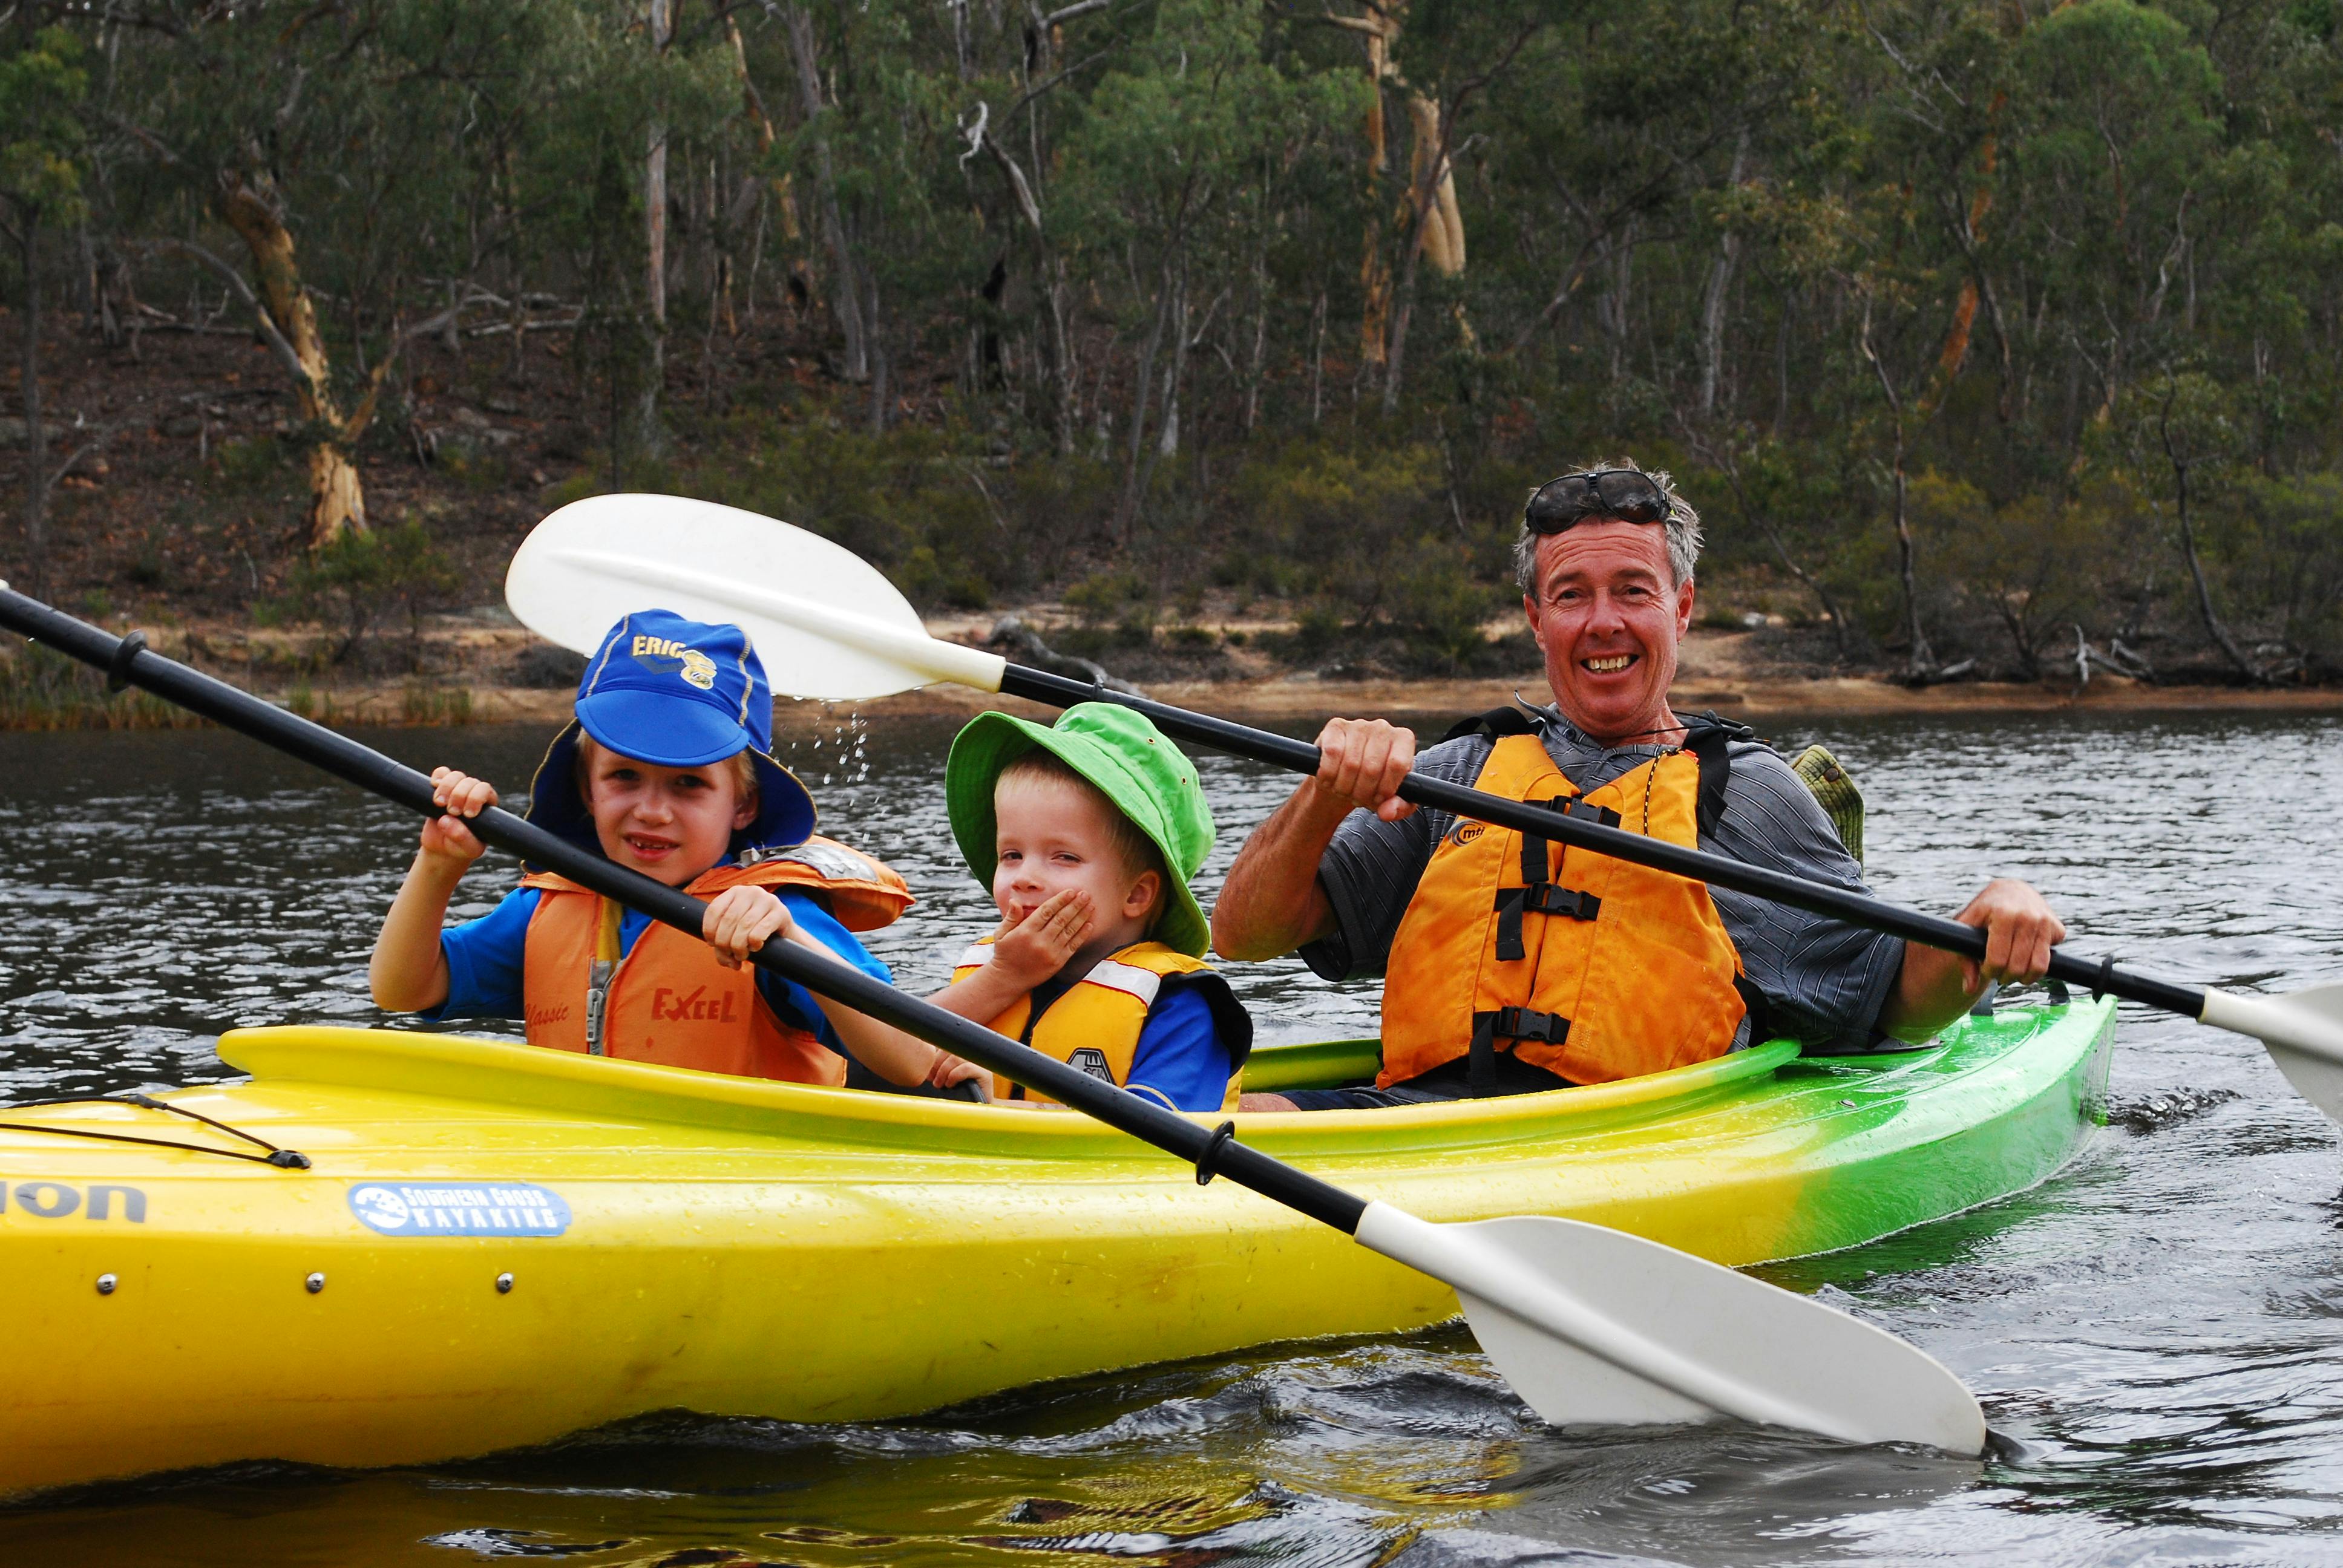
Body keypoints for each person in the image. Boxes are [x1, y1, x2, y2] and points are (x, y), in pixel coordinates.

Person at [1214, 462, 2066, 1111]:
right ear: (1536, 617)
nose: (1603, 623)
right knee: (1214, 1125)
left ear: (1683, 608)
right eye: (1572, 595)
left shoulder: (1747, 794)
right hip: (1420, 1128)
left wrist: (1983, 928)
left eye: (1633, 591)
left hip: (1631, 1141)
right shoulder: (1461, 773)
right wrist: (1322, 796)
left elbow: (1888, 1000)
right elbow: (1244, 934)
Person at [370, 607, 985, 1095]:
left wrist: (791, 943)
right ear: (587, 788)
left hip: (744, 1200)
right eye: (624, 777)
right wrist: (439, 867)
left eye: (689, 783)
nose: (652, 810)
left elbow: (908, 1060)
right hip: (592, 1188)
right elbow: (404, 988)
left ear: (742, 806)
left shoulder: (775, 914)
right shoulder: (548, 908)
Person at [924, 702, 1251, 1112]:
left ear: (1136, 895)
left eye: (1064, 858)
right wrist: (1001, 980)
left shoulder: (1181, 1004)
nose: (1024, 876)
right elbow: (877, 1049)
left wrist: (999, 1109)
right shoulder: (991, 969)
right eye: (1011, 855)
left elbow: (1154, 1137)